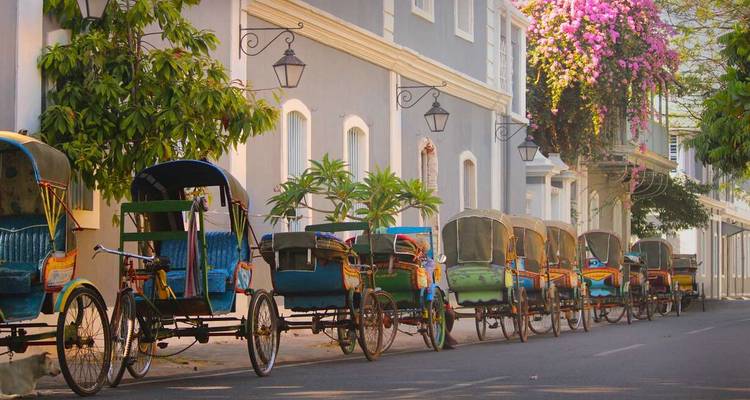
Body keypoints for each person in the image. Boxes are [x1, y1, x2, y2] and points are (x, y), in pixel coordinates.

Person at [416, 238, 458, 350]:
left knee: (447, 312)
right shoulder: (428, 262)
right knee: (449, 314)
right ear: (424, 250)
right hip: (424, 294)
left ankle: (445, 337)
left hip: (420, 294)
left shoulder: (401, 261)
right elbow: (428, 278)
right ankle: (445, 339)